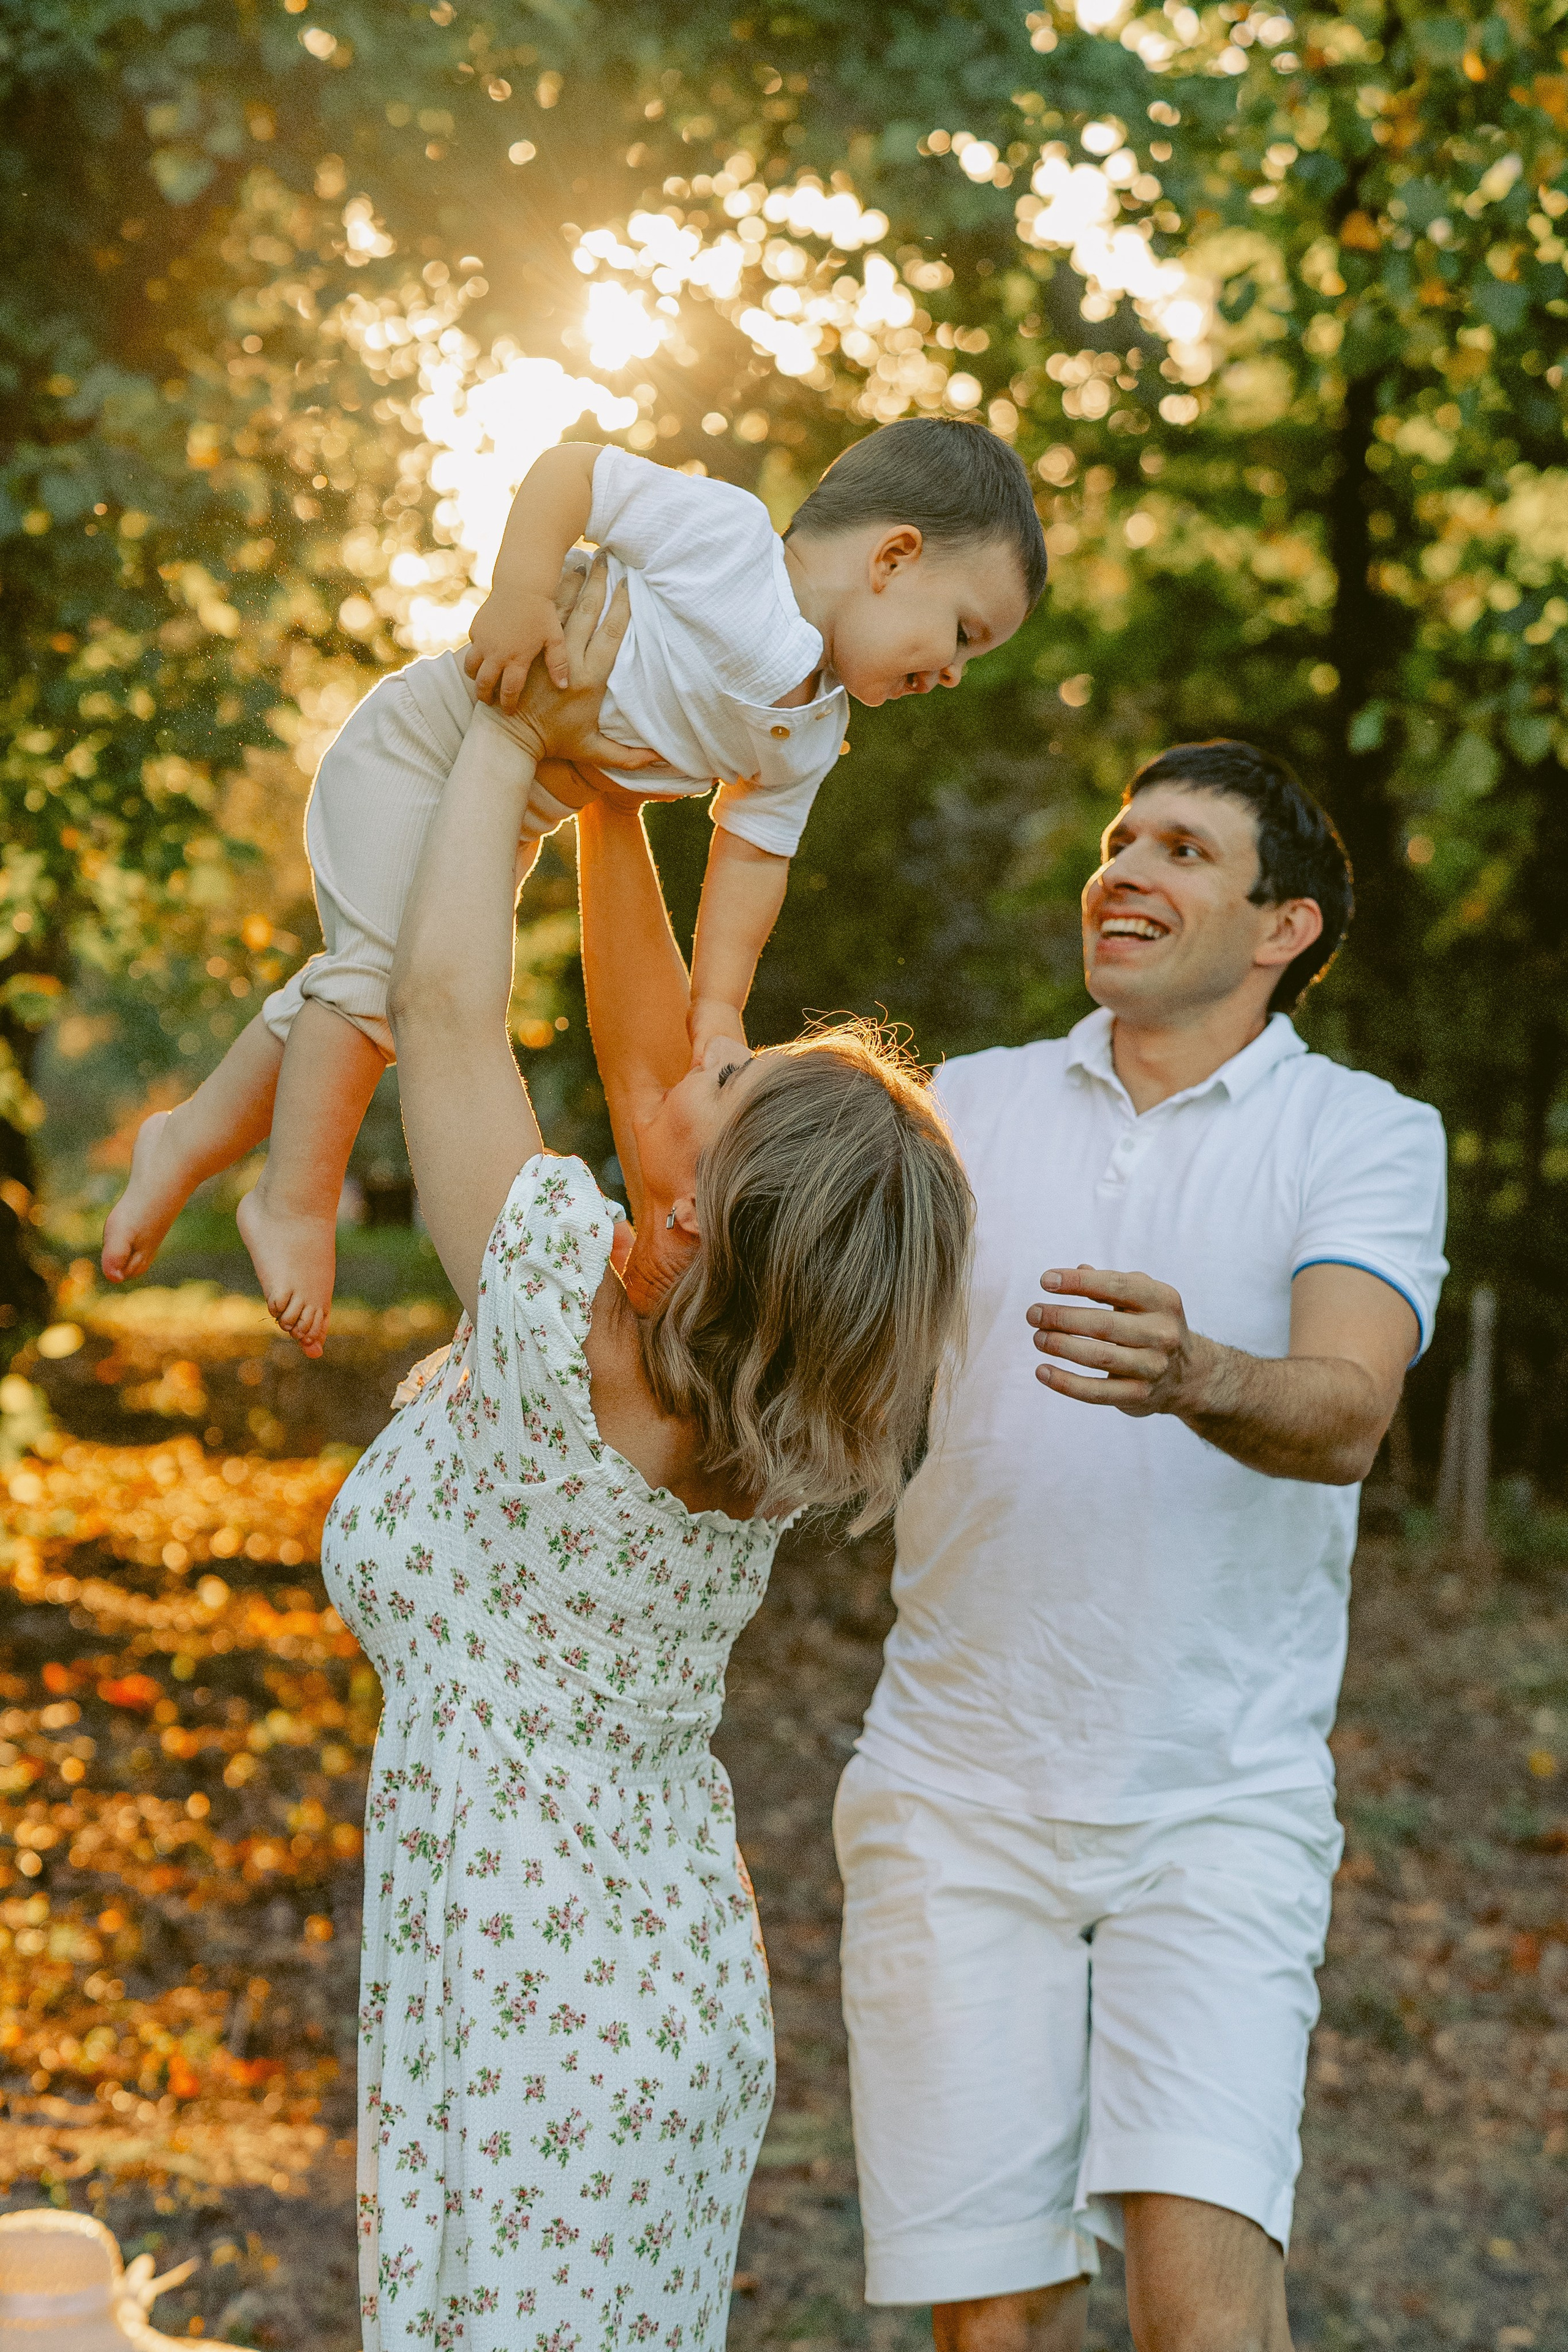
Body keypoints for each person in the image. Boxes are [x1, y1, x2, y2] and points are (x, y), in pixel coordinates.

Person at [318, 563, 974, 2352]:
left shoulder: (550, 1330)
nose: (705, 1053)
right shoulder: (745, 1402)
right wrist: (614, 805)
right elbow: (640, 1050)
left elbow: (449, 1012)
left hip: (536, 2020)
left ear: (698, 1211)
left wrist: (514, 743)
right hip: (652, 1993)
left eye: (730, 1083)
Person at [834, 740, 1449, 2352]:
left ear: (1281, 930)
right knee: (996, 2328)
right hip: (955, 1792)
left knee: (1205, 2312)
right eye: (1119, 839)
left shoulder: (1366, 1136)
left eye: (1182, 849)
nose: (1125, 869)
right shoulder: (959, 1109)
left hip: (1219, 1805)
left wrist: (1195, 1374)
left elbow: (1345, 1413)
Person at [100, 419, 1044, 1354]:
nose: (956, 673)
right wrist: (518, 595)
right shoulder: (729, 545)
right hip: (424, 752)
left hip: (502, 813)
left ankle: (185, 1142)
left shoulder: (809, 727)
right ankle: (295, 1203)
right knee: (380, 992)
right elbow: (570, 474)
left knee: (353, 998)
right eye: (963, 632)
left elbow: (752, 857)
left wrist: (718, 1007)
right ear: (894, 557)